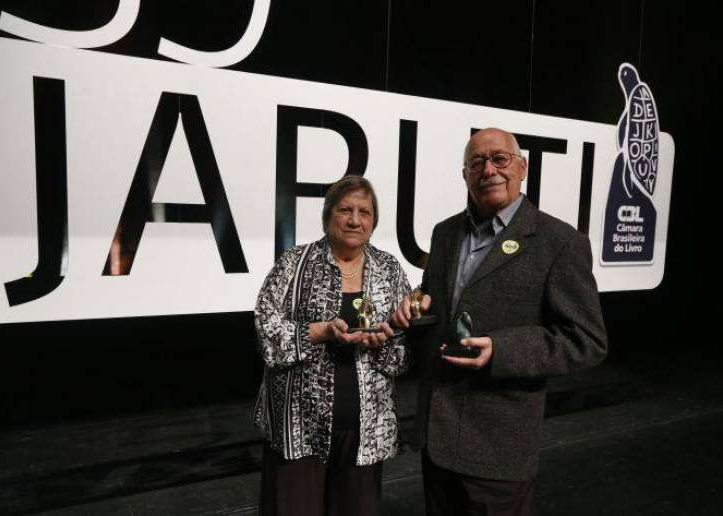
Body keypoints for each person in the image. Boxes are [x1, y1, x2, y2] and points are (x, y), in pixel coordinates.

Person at [391, 128, 608, 516]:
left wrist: (501, 351)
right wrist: (417, 305)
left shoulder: (559, 242)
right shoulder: (445, 234)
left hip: (499, 447)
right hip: (437, 438)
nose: (488, 169)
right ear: (465, 175)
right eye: (477, 162)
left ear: (522, 167)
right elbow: (438, 300)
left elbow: (587, 339)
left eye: (499, 159)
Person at [254, 175, 411, 516]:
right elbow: (267, 332)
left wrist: (383, 342)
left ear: (373, 221)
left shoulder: (390, 269)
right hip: (298, 430)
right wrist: (321, 332)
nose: (355, 220)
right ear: (328, 216)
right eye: (345, 210)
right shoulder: (293, 264)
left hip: (365, 433)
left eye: (364, 212)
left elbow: (401, 355)